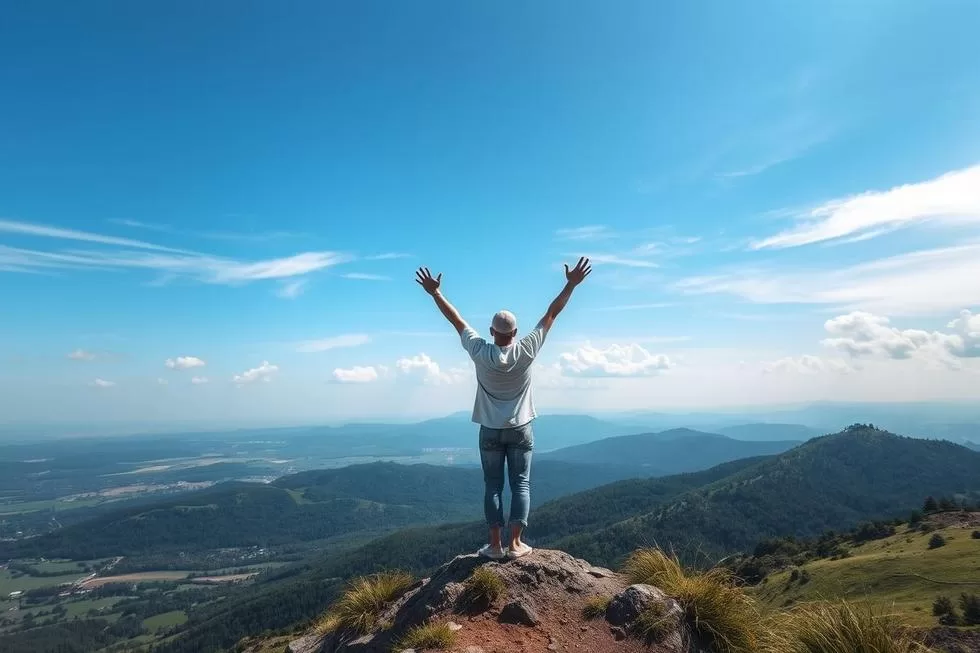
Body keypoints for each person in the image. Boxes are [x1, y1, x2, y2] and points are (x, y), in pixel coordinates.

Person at [415, 257, 592, 560]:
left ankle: (495, 546)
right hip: (521, 428)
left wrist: (435, 293)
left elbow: (455, 320)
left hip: (490, 430)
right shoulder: (527, 349)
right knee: (520, 483)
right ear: (516, 332)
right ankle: (516, 544)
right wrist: (571, 284)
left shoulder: (480, 351)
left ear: (491, 331)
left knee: (493, 485)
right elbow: (552, 313)